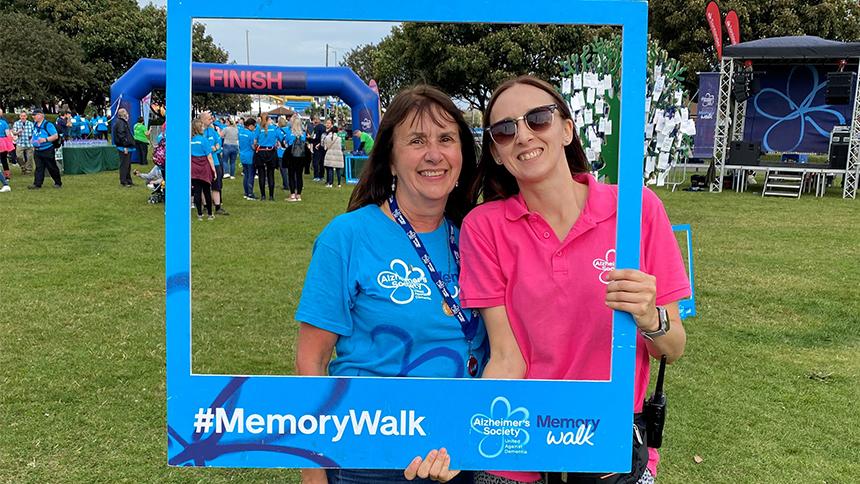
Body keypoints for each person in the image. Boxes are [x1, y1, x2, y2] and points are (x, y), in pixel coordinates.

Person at [457, 76, 691, 484]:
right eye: (505, 130)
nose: (523, 136)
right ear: (495, 152)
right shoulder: (483, 227)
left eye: (538, 119)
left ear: (567, 129)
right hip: (518, 425)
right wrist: (461, 440)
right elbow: (508, 359)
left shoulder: (637, 210)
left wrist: (650, 317)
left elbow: (672, 349)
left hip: (606, 429)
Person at [295, 85, 484, 484]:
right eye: (417, 140)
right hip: (372, 456)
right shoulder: (346, 237)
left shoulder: (476, 236)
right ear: (391, 160)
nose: (434, 154)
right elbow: (310, 363)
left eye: (446, 139)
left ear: (462, 156)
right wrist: (313, 470)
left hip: (462, 451)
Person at [203, 112, 229, 215]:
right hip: (204, 162)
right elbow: (201, 146)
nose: (212, 120)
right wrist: (211, 148)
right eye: (209, 119)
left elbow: (218, 144)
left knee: (216, 185)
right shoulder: (199, 132)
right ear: (203, 120)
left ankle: (218, 207)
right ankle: (205, 206)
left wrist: (215, 148)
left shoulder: (212, 131)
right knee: (204, 184)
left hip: (215, 161)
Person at [190, 119, 217, 220]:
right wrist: (213, 170)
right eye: (201, 126)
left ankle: (199, 214)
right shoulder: (204, 140)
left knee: (197, 191)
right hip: (204, 167)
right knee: (206, 191)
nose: (203, 128)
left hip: (194, 167)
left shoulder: (190, 141)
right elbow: (209, 157)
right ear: (198, 128)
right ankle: (210, 214)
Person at [253, 113, 281, 201]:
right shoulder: (273, 128)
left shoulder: (258, 128)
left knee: (261, 174)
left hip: (261, 151)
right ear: (269, 119)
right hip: (271, 152)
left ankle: (263, 196)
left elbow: (254, 141)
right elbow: (280, 138)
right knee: (270, 174)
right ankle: (271, 196)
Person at [284, 113, 307, 202]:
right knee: (299, 175)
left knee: (291, 175)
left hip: (291, 156)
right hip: (301, 156)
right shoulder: (303, 134)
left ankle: (293, 194)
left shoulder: (289, 133)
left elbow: (285, 142)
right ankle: (299, 195)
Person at [112, 108, 136, 187]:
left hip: (126, 147)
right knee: (124, 165)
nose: (127, 114)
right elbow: (121, 135)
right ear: (123, 114)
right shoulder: (121, 123)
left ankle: (128, 180)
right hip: (124, 147)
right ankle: (124, 181)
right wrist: (125, 146)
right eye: (126, 112)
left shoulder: (122, 122)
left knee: (128, 165)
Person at [238, 117, 257, 200]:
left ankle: (246, 192)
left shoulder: (241, 132)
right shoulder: (251, 134)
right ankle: (250, 193)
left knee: (246, 174)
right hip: (250, 156)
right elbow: (253, 146)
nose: (254, 128)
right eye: (254, 126)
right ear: (250, 126)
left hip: (242, 155)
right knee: (251, 175)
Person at [322, 119, 344, 188]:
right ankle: (339, 183)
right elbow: (341, 146)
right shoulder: (339, 138)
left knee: (330, 169)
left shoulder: (327, 137)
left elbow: (325, 146)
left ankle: (330, 183)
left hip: (330, 153)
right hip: (338, 154)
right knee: (338, 169)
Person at [13, 111, 35, 176]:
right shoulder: (16, 123)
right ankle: (23, 167)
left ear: (26, 116)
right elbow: (14, 132)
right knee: (18, 156)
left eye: (24, 116)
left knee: (29, 157)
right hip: (20, 143)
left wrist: (32, 138)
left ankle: (28, 170)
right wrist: (17, 132)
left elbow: (34, 132)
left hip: (29, 143)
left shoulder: (31, 123)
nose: (23, 117)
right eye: (22, 116)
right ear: (20, 116)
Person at [310, 115, 326, 181]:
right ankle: (321, 175)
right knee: (322, 162)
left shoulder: (316, 128)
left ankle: (316, 176)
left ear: (315, 120)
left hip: (317, 146)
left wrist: (310, 139)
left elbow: (315, 137)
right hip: (323, 146)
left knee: (316, 162)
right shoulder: (324, 127)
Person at [276, 116, 291, 190]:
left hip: (280, 153)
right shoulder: (289, 130)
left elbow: (276, 141)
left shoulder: (277, 131)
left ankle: (286, 185)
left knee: (283, 170)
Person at [0, 108, 13, 180]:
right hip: (3, 142)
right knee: (4, 159)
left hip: (2, 142)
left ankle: (6, 175)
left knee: (3, 159)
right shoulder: (4, 123)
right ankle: (7, 175)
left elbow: (7, 133)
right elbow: (8, 134)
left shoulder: (4, 122)